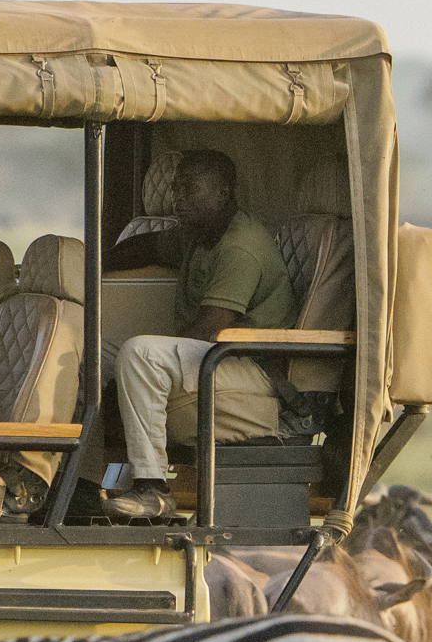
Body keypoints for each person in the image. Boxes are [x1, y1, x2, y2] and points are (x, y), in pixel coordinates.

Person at [103, 150, 298, 522]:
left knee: (139, 354)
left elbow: (209, 330)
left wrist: (142, 371)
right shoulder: (199, 233)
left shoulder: (241, 246)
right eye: (176, 187)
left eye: (190, 189)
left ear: (223, 193)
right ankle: (79, 480)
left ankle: (153, 489)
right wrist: (95, 261)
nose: (178, 197)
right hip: (215, 356)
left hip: (249, 365)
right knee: (95, 352)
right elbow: (146, 246)